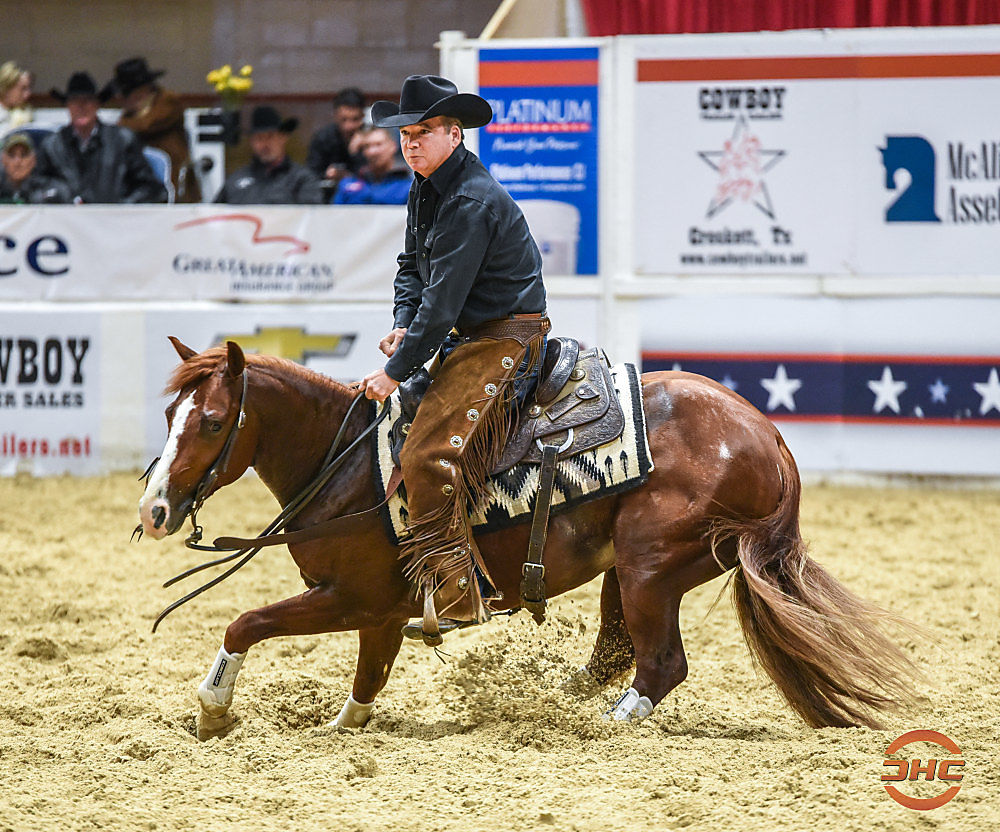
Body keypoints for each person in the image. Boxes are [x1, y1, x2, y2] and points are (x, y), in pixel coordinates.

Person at [359, 75, 548, 646]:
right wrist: (402, 321)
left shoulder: (468, 200)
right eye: (406, 135)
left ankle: (459, 594)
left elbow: (442, 306)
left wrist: (394, 372)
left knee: (425, 456)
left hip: (504, 337)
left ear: (454, 134)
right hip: (473, 335)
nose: (411, 143)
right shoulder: (427, 187)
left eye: (423, 132)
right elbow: (411, 268)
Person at [36, 71, 167, 204]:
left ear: (97, 104)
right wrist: (60, 194)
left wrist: (122, 207)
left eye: (87, 101)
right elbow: (36, 186)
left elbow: (150, 188)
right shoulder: (51, 145)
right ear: (68, 106)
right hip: (65, 216)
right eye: (75, 101)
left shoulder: (123, 140)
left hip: (115, 215)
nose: (81, 107)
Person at [113, 56, 201, 203]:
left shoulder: (168, 102)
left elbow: (146, 125)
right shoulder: (129, 115)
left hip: (173, 178)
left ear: (142, 90)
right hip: (141, 181)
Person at [214, 105, 323, 205]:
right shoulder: (235, 180)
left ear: (283, 138)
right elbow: (214, 213)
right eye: (259, 138)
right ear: (251, 142)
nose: (265, 144)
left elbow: (312, 215)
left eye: (270, 136)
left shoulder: (301, 179)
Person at [332, 125, 412, 205]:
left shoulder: (408, 187)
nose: (372, 152)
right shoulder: (347, 185)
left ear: (393, 146)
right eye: (367, 146)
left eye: (378, 144)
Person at [306, 87, 365, 188]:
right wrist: (327, 174)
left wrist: (356, 154)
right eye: (344, 119)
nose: (348, 126)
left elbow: (374, 175)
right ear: (335, 116)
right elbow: (310, 174)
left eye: (355, 119)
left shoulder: (371, 139)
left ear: (363, 117)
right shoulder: (323, 138)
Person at [0, 133, 70, 204]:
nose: (18, 162)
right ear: (3, 160)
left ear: (33, 160)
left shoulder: (49, 187)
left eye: (23, 155)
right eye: (12, 155)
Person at [0, 61, 33, 130]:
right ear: (7, 88)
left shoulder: (25, 114)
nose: (28, 94)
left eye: (29, 87)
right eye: (23, 89)